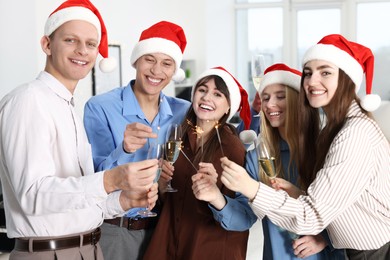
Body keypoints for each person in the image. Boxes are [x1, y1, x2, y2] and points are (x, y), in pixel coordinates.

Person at [0, 0, 159, 259]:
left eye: (91, 44)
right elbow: (32, 196)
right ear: (47, 45)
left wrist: (123, 201)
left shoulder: (69, 106)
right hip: (49, 253)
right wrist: (110, 180)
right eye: (71, 40)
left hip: (87, 248)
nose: (82, 50)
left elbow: (76, 203)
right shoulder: (29, 100)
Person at [220, 34, 390, 260]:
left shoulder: (354, 134)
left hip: (373, 253)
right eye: (308, 73)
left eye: (325, 72)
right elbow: (338, 201)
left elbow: (310, 216)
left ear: (348, 78)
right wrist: (297, 193)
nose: (311, 80)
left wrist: (251, 187)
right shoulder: (336, 130)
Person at [214, 63, 345, 259]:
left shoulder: (328, 148)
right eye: (265, 98)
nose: (269, 104)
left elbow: (349, 208)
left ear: (298, 102)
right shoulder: (257, 157)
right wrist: (215, 198)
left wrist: (325, 238)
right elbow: (245, 218)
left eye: (280, 96)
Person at [83, 21, 190, 260]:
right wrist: (124, 148)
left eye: (167, 63)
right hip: (116, 230)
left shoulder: (184, 111)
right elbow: (93, 178)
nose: (156, 71)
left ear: (174, 71)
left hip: (165, 230)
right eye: (149, 59)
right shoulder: (100, 107)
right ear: (136, 61)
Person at [143, 66, 251, 260]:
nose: (206, 98)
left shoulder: (233, 149)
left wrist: (215, 197)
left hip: (209, 249)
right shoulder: (178, 137)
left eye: (217, 94)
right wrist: (161, 185)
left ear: (229, 107)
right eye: (202, 90)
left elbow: (244, 217)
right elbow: (171, 199)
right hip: (169, 244)